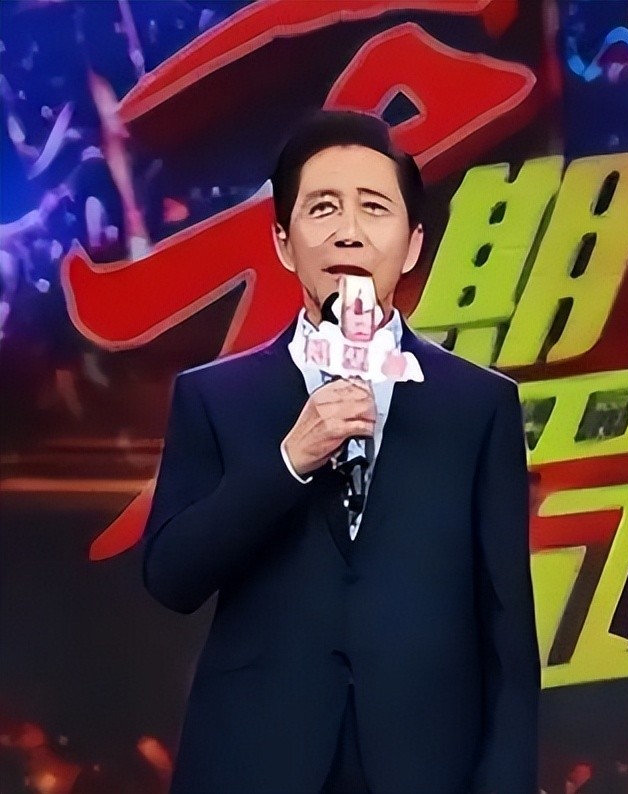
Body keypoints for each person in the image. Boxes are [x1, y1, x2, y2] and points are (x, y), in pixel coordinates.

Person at [142, 110, 539, 793]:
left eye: (374, 208)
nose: (348, 231)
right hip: (255, 758)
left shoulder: (477, 404)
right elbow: (171, 577)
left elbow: (507, 625)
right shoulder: (216, 395)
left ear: (412, 244)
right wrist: (288, 462)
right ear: (283, 241)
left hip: (426, 761)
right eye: (322, 207)